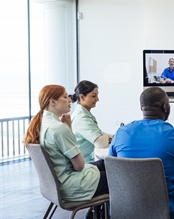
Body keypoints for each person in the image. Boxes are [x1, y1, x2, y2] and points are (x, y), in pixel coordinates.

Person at [108, 87, 174, 219]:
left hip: (124, 204)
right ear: (166, 107)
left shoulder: (121, 132)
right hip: (165, 205)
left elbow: (112, 167)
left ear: (141, 108)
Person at [23, 85, 109, 218]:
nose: (70, 99)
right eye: (65, 96)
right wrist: (67, 129)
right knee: (120, 179)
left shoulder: (43, 124)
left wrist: (68, 127)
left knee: (106, 164)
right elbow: (79, 165)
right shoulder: (58, 128)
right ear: (53, 102)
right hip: (73, 187)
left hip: (58, 185)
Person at [70, 80, 113, 162]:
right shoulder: (82, 119)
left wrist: (111, 137)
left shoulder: (84, 114)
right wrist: (108, 137)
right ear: (82, 97)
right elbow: (100, 143)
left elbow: (97, 133)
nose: (97, 99)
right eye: (94, 96)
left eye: (97, 95)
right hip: (83, 165)